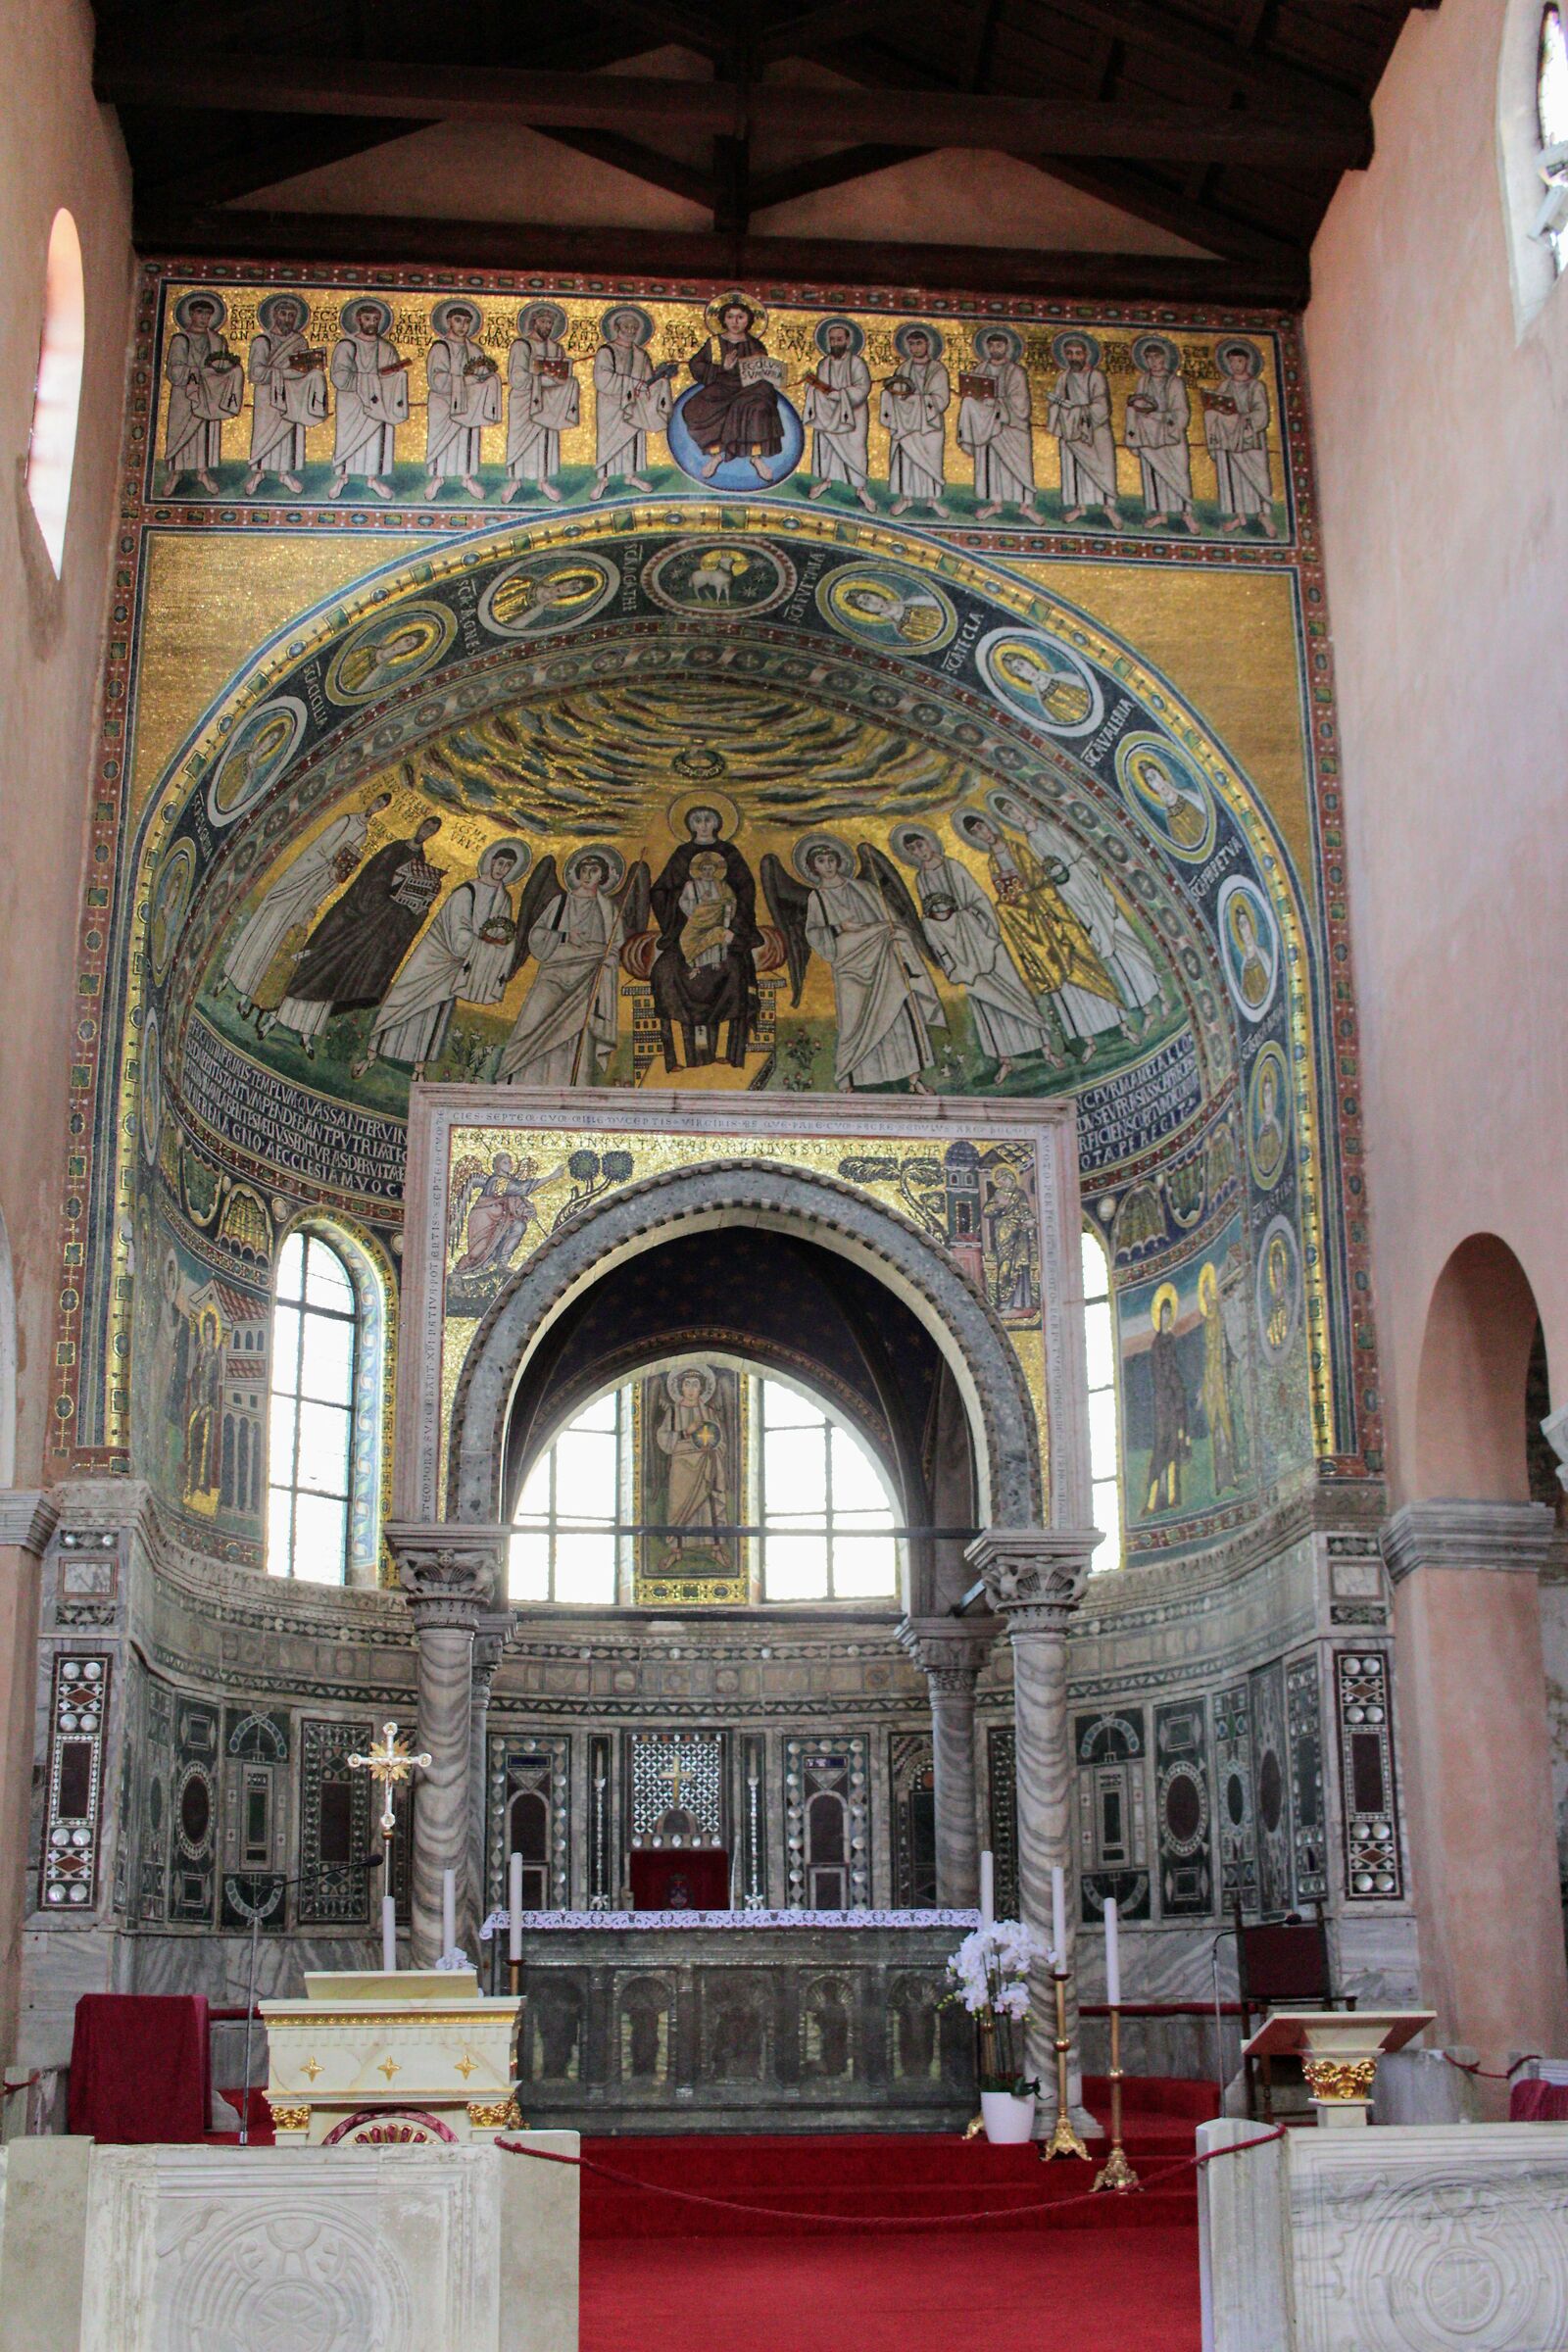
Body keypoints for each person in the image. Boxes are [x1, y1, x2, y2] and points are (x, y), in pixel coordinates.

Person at [952, 809, 1122, 1058]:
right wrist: (1009, 904)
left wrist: (1027, 894)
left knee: (1080, 966)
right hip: (1032, 932)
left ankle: (1120, 1023)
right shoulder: (991, 862)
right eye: (975, 833)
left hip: (1050, 922)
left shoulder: (1017, 849)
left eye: (981, 827)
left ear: (990, 825)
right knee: (1060, 985)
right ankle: (1086, 1039)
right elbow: (1005, 895)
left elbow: (1041, 881)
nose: (981, 834)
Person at [269, 815, 444, 1055]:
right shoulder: (394, 849)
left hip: (373, 928)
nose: (426, 832)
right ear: (419, 824)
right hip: (356, 919)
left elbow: (410, 894)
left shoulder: (420, 861)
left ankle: (306, 1034)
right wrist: (388, 891)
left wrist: (416, 907)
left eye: (432, 831)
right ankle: (276, 1017)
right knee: (319, 963)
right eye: (426, 826)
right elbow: (372, 879)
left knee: (337, 976)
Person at [987, 792, 1161, 1031]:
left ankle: (1159, 993)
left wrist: (1079, 875)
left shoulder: (1047, 828)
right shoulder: (1028, 841)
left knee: (1120, 933)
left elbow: (1076, 853)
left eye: (1013, 808)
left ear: (1020, 805)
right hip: (1069, 893)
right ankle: (1143, 1006)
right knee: (1105, 946)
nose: (1014, 814)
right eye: (1008, 814)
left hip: (1085, 883)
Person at [894, 823, 1055, 1079]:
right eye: (912, 848)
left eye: (920, 844)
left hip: (981, 940)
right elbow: (929, 915)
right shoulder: (920, 878)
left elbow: (977, 899)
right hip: (958, 952)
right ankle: (1005, 1059)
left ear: (930, 843)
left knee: (1013, 988)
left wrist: (966, 921)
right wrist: (939, 926)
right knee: (984, 1003)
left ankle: (1046, 1048)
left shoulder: (953, 866)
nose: (919, 851)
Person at [355, 840, 524, 1079]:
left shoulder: (503, 898)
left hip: (459, 966)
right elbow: (457, 931)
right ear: (491, 861)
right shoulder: (467, 891)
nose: (502, 869)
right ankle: (372, 1053)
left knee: (436, 1012)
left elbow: (503, 932)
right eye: (500, 863)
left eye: (508, 866)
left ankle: (419, 1070)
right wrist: (482, 943)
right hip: (436, 957)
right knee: (404, 1000)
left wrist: (498, 944)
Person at [224, 792, 392, 1023]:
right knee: (272, 921)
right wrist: (329, 863)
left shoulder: (363, 833)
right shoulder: (345, 821)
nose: (377, 806)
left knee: (284, 939)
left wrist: (334, 877)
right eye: (377, 801)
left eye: (382, 805)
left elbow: (344, 868)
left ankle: (256, 989)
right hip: (304, 875)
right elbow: (319, 847)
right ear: (371, 800)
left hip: (315, 887)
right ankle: (239, 972)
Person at [802, 838, 943, 1094]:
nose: (828, 865)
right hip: (849, 966)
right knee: (854, 1023)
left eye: (831, 859)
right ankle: (848, 1079)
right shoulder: (817, 898)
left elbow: (890, 918)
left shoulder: (863, 887)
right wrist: (839, 928)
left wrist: (888, 932)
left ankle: (913, 1079)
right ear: (813, 867)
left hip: (882, 958)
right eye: (821, 861)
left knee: (898, 1014)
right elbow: (814, 933)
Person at [499, 849, 626, 1087]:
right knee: (531, 1025)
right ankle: (520, 1081)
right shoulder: (561, 902)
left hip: (587, 980)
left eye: (594, 871)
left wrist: (606, 960)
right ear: (577, 873)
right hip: (553, 976)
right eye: (584, 870)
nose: (588, 875)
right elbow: (535, 936)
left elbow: (616, 947)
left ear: (604, 875)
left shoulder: (608, 910)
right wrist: (565, 937)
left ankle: (571, 1086)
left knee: (577, 1037)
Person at [649, 807, 760, 1071]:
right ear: (689, 824)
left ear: (718, 822)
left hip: (726, 934)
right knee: (664, 971)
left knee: (734, 972)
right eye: (697, 820)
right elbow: (661, 891)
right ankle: (677, 1057)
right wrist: (685, 916)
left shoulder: (730, 854)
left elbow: (744, 893)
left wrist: (733, 926)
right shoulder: (681, 856)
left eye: (708, 819)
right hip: (686, 931)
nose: (703, 825)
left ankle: (729, 1054)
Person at [684, 300, 785, 484]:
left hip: (751, 388)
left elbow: (763, 370)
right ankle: (717, 454)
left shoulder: (755, 344)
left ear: (748, 320)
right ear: (723, 320)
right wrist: (721, 367)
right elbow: (696, 365)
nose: (735, 322)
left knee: (758, 406)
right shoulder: (714, 343)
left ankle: (756, 457)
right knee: (696, 407)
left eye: (740, 317)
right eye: (730, 317)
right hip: (723, 385)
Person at [244, 294, 326, 495]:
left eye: (291, 315)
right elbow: (255, 373)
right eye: (283, 314)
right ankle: (258, 472)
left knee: (289, 434)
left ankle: (284, 473)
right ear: (274, 315)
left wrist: (308, 371)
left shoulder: (299, 340)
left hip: (292, 394)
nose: (287, 319)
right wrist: (283, 373)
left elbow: (303, 367)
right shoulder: (263, 341)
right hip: (267, 395)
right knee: (264, 434)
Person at [161, 294, 243, 494]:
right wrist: (198, 372)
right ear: (190, 314)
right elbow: (174, 370)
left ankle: (202, 472)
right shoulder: (181, 339)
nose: (204, 317)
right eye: (200, 313)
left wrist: (227, 371)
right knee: (179, 431)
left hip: (210, 395)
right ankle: (176, 473)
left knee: (204, 434)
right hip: (184, 395)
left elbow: (222, 365)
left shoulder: (217, 340)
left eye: (208, 314)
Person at [328, 300, 408, 501]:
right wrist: (370, 379)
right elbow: (339, 377)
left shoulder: (386, 347)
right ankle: (342, 478)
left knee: (375, 440)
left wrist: (394, 376)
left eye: (375, 319)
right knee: (348, 440)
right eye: (367, 318)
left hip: (379, 404)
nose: (372, 323)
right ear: (358, 320)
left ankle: (372, 479)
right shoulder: (347, 345)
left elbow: (393, 377)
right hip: (352, 404)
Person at [591, 306, 673, 499]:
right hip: (611, 405)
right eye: (626, 327)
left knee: (634, 439)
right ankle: (603, 480)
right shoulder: (606, 350)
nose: (630, 331)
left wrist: (660, 380)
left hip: (634, 405)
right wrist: (632, 384)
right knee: (608, 442)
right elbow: (602, 379)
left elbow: (646, 382)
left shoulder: (641, 354)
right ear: (617, 328)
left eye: (634, 328)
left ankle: (631, 476)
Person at [957, 328, 1040, 519]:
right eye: (992, 345)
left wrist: (995, 403)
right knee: (991, 464)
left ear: (1007, 348)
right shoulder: (981, 369)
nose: (995, 349)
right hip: (987, 425)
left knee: (1019, 465)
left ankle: (1025, 504)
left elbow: (1021, 404)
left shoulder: (1016, 371)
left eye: (999, 345)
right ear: (987, 348)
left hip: (1011, 427)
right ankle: (996, 503)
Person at [424, 300, 501, 501]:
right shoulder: (440, 348)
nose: (463, 325)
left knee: (467, 440)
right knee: (441, 441)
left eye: (467, 322)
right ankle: (437, 478)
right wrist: (464, 380)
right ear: (449, 322)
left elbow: (481, 371)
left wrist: (485, 375)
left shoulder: (474, 350)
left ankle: (467, 478)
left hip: (470, 404)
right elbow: (436, 380)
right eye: (458, 320)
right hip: (443, 404)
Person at [1124, 333, 1198, 534]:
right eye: (1149, 358)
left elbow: (1182, 412)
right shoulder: (1143, 381)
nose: (1154, 362)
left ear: (1165, 359)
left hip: (1171, 436)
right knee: (1154, 474)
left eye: (1158, 358)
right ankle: (1162, 513)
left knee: (1178, 473)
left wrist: (1157, 415)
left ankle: (1186, 514)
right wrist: (1133, 436)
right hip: (1148, 435)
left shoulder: (1175, 382)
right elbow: (1135, 405)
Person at [1046, 332, 1120, 528]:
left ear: (1086, 354)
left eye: (1078, 353)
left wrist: (1079, 411)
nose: (1074, 357)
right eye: (1069, 353)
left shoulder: (1096, 376)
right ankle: (1080, 506)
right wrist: (1059, 410)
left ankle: (1108, 507)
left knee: (1103, 468)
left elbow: (1102, 404)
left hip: (1096, 431)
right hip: (1071, 431)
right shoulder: (1064, 377)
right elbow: (1057, 401)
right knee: (1075, 468)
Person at [505, 303, 577, 504]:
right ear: (534, 322)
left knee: (546, 440)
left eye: (550, 323)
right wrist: (543, 378)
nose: (547, 326)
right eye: (543, 321)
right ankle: (515, 481)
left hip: (550, 403)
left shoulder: (557, 348)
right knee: (519, 441)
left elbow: (562, 376)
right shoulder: (522, 345)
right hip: (524, 401)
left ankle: (543, 481)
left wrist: (560, 379)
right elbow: (516, 377)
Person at [655, 1368, 729, 1560]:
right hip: (681, 1467)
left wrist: (712, 1450)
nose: (690, 1389)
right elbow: (663, 1440)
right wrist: (685, 1432)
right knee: (679, 1507)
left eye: (695, 1385)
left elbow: (721, 1441)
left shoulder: (709, 1413)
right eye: (687, 1384)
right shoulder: (672, 1412)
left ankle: (716, 1549)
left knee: (709, 1504)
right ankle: (676, 1551)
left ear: (702, 1388)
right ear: (680, 1387)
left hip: (706, 1463)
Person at [1204, 339, 1276, 536]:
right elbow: (1215, 408)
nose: (1236, 366)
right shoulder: (1225, 385)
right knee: (1234, 477)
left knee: (1258, 476)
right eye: (1232, 362)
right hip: (1229, 439)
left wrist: (1242, 419)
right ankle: (1241, 516)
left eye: (1239, 361)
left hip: (1249, 439)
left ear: (1247, 362)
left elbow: (1262, 413)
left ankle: (1263, 515)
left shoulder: (1256, 386)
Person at [802, 320, 874, 510]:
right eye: (832, 340)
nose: (835, 343)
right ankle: (826, 481)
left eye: (839, 339)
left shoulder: (857, 363)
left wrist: (838, 395)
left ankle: (860, 489)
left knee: (856, 450)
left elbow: (863, 388)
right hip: (828, 414)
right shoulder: (824, 363)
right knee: (826, 448)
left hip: (853, 416)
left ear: (848, 341)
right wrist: (811, 386)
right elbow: (820, 389)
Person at [881, 324, 950, 515]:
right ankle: (906, 499)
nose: (915, 348)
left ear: (927, 344)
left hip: (929, 425)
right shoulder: (903, 368)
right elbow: (895, 392)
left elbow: (941, 399)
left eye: (918, 343)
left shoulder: (938, 369)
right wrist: (891, 396)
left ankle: (933, 500)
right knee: (906, 461)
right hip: (905, 424)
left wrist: (916, 400)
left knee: (932, 460)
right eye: (911, 345)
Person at [1144, 1290, 1190, 1514]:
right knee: (1161, 1449)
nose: (1166, 1317)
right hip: (1163, 1402)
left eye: (1169, 1313)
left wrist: (1177, 1391)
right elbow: (1160, 1373)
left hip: (1173, 1399)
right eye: (1163, 1313)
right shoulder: (1156, 1345)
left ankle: (1172, 1496)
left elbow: (1173, 1369)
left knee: (1173, 1449)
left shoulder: (1171, 1341)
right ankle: (1153, 1500)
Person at [1198, 1261, 1240, 1494]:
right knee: (1217, 1430)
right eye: (1203, 1292)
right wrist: (1204, 1389)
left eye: (1208, 1291)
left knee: (1229, 1425)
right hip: (1213, 1384)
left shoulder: (1222, 1315)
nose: (1206, 1296)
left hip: (1224, 1381)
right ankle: (1221, 1478)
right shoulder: (1208, 1323)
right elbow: (1207, 1356)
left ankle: (1232, 1474)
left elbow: (1229, 1344)